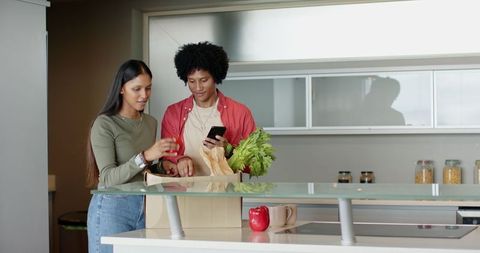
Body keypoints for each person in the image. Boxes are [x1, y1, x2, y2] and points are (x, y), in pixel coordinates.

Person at [85, 59, 179, 253]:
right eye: (137, 89)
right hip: (112, 208)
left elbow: (142, 171)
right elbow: (109, 178)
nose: (144, 95)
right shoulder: (104, 124)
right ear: (121, 88)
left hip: (145, 206)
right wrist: (145, 156)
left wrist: (162, 167)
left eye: (148, 88)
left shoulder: (150, 123)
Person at [161, 41, 256, 177]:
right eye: (192, 81)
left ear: (215, 77)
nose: (198, 88)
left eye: (204, 80)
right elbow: (164, 158)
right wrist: (179, 160)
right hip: (184, 193)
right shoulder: (173, 113)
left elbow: (254, 165)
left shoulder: (240, 112)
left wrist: (228, 150)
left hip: (226, 193)